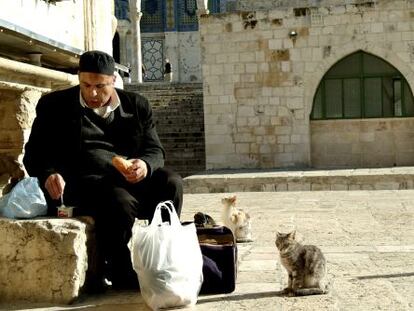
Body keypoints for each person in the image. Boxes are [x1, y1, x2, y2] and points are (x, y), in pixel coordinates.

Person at [23, 50, 183, 290]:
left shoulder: (136, 105)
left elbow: (155, 150)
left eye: (100, 86)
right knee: (120, 200)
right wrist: (48, 174)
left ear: (113, 81)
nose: (93, 93)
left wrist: (145, 165)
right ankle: (119, 268)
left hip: (130, 179)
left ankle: (162, 256)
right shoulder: (54, 105)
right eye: (86, 85)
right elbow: (34, 154)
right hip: (86, 184)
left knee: (171, 181)